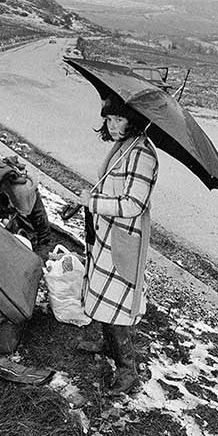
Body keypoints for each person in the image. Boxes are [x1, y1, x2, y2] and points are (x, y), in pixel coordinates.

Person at [77, 93, 159, 394]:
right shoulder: (124, 147)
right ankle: (105, 342)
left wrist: (95, 202)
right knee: (102, 291)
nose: (113, 125)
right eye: (109, 119)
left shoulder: (143, 155)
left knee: (119, 301)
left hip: (123, 238)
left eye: (120, 119)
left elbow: (133, 204)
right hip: (107, 233)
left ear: (133, 120)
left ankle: (128, 371)